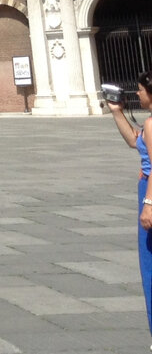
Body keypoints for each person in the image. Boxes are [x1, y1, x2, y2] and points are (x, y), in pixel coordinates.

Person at [105, 70, 152, 341]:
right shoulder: (147, 125)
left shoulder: (151, 124)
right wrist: (116, 111)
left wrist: (148, 203)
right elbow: (136, 142)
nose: (136, 93)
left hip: (149, 191)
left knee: (149, 266)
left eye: (140, 90)